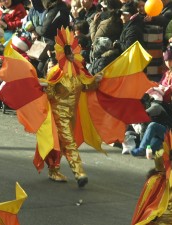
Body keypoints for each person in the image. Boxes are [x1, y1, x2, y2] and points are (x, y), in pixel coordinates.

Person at [42, 27, 102, 187]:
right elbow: (48, 93)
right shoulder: (55, 72)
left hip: (73, 113)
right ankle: (79, 173)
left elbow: (87, 88)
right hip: (59, 113)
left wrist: (96, 81)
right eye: (67, 53)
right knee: (69, 142)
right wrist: (49, 92)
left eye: (72, 53)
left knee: (63, 143)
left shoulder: (78, 71)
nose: (70, 56)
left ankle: (53, 169)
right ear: (62, 54)